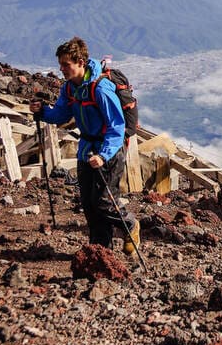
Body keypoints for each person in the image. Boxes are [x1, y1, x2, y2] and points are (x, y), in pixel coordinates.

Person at [29, 37, 139, 253]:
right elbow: (60, 113)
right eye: (60, 64)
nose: (61, 69)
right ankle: (101, 251)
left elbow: (117, 127)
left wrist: (104, 155)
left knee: (104, 202)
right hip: (86, 149)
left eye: (65, 64)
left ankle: (131, 224)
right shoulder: (70, 88)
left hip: (108, 150)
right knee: (89, 205)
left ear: (80, 62)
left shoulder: (101, 89)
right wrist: (42, 111)